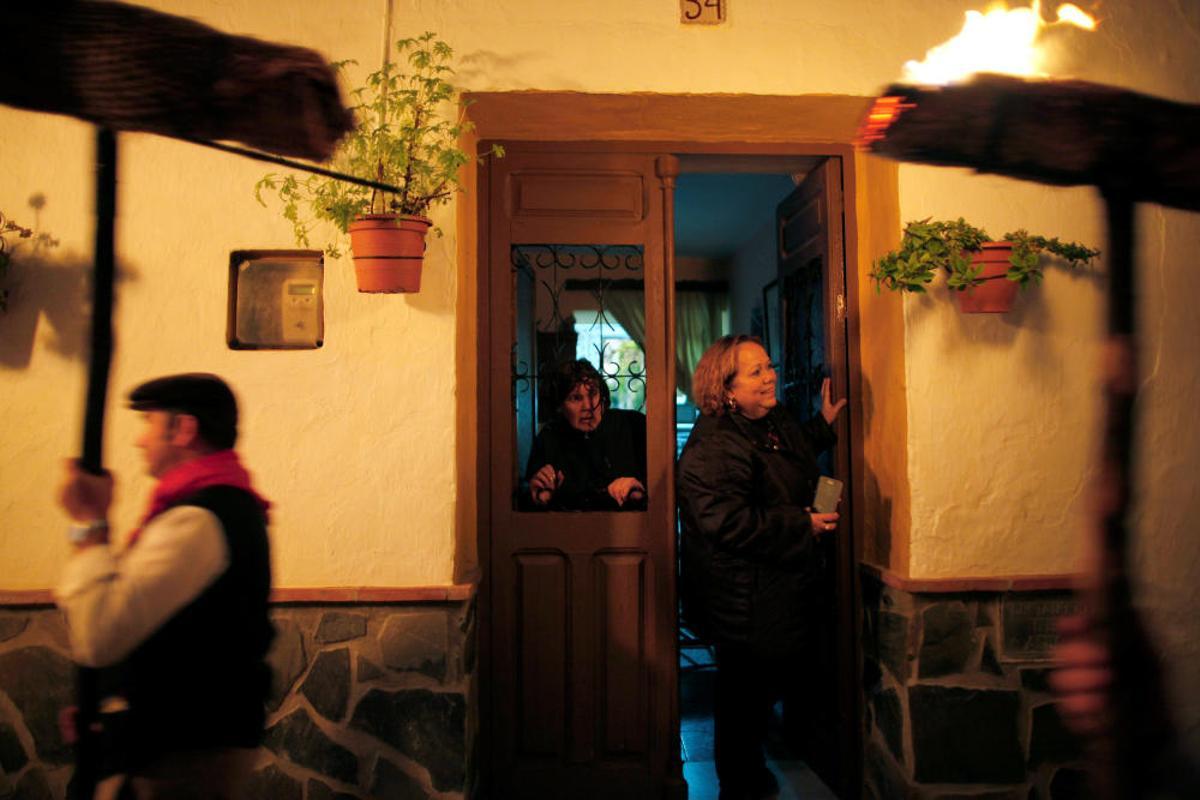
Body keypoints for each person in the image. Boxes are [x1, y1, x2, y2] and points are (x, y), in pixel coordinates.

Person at [55, 373, 273, 800]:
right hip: (178, 741)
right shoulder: (205, 507)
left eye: (149, 422)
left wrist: (89, 521)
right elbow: (160, 628)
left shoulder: (198, 520)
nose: (140, 441)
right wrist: (111, 697)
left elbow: (100, 633)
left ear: (184, 429)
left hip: (183, 753)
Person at [677, 334, 846, 800]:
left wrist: (824, 424)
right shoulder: (716, 443)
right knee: (741, 700)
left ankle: (756, 770)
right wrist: (801, 525)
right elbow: (724, 521)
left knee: (762, 690)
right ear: (726, 388)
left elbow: (789, 456)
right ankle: (741, 784)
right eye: (756, 372)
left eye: (768, 366)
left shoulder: (769, 420)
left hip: (776, 590)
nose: (770, 376)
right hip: (742, 597)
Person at [525, 358, 647, 510]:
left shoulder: (632, 425)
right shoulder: (549, 439)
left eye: (593, 393)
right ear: (560, 406)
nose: (588, 406)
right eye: (576, 398)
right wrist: (540, 497)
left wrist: (638, 489)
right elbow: (530, 507)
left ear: (602, 396)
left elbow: (662, 490)